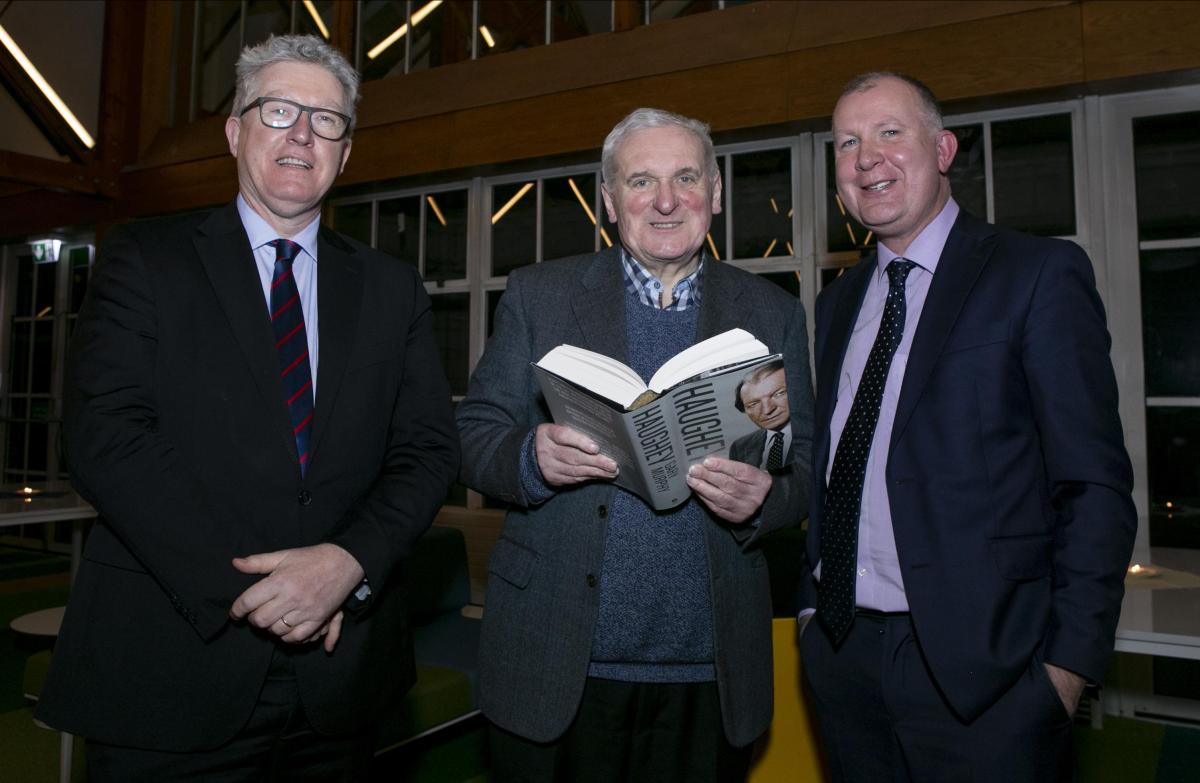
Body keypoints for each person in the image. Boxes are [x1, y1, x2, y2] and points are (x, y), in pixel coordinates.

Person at [36, 34, 459, 780]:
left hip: (343, 681)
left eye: (326, 119)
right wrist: (266, 594)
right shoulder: (146, 257)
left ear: (346, 151)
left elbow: (427, 451)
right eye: (279, 110)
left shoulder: (392, 289)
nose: (302, 132)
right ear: (236, 131)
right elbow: (108, 438)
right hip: (172, 671)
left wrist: (347, 564)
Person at [457, 107, 814, 782]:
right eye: (641, 180)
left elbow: (809, 466)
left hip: (710, 671)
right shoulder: (540, 295)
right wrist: (533, 457)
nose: (667, 200)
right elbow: (473, 435)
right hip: (557, 657)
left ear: (713, 191)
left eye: (685, 177)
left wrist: (768, 498)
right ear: (609, 199)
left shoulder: (772, 312)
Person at [800, 71, 1136, 782]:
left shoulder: (1037, 273)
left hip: (989, 677)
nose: (867, 158)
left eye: (891, 132)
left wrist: (1067, 667)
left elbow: (1093, 484)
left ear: (944, 148)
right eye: (848, 142)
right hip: (842, 658)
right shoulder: (838, 305)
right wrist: (811, 611)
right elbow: (831, 467)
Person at [729, 359, 792, 471]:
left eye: (778, 394)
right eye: (753, 404)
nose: (768, 410)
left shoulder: (819, 432)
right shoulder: (740, 447)